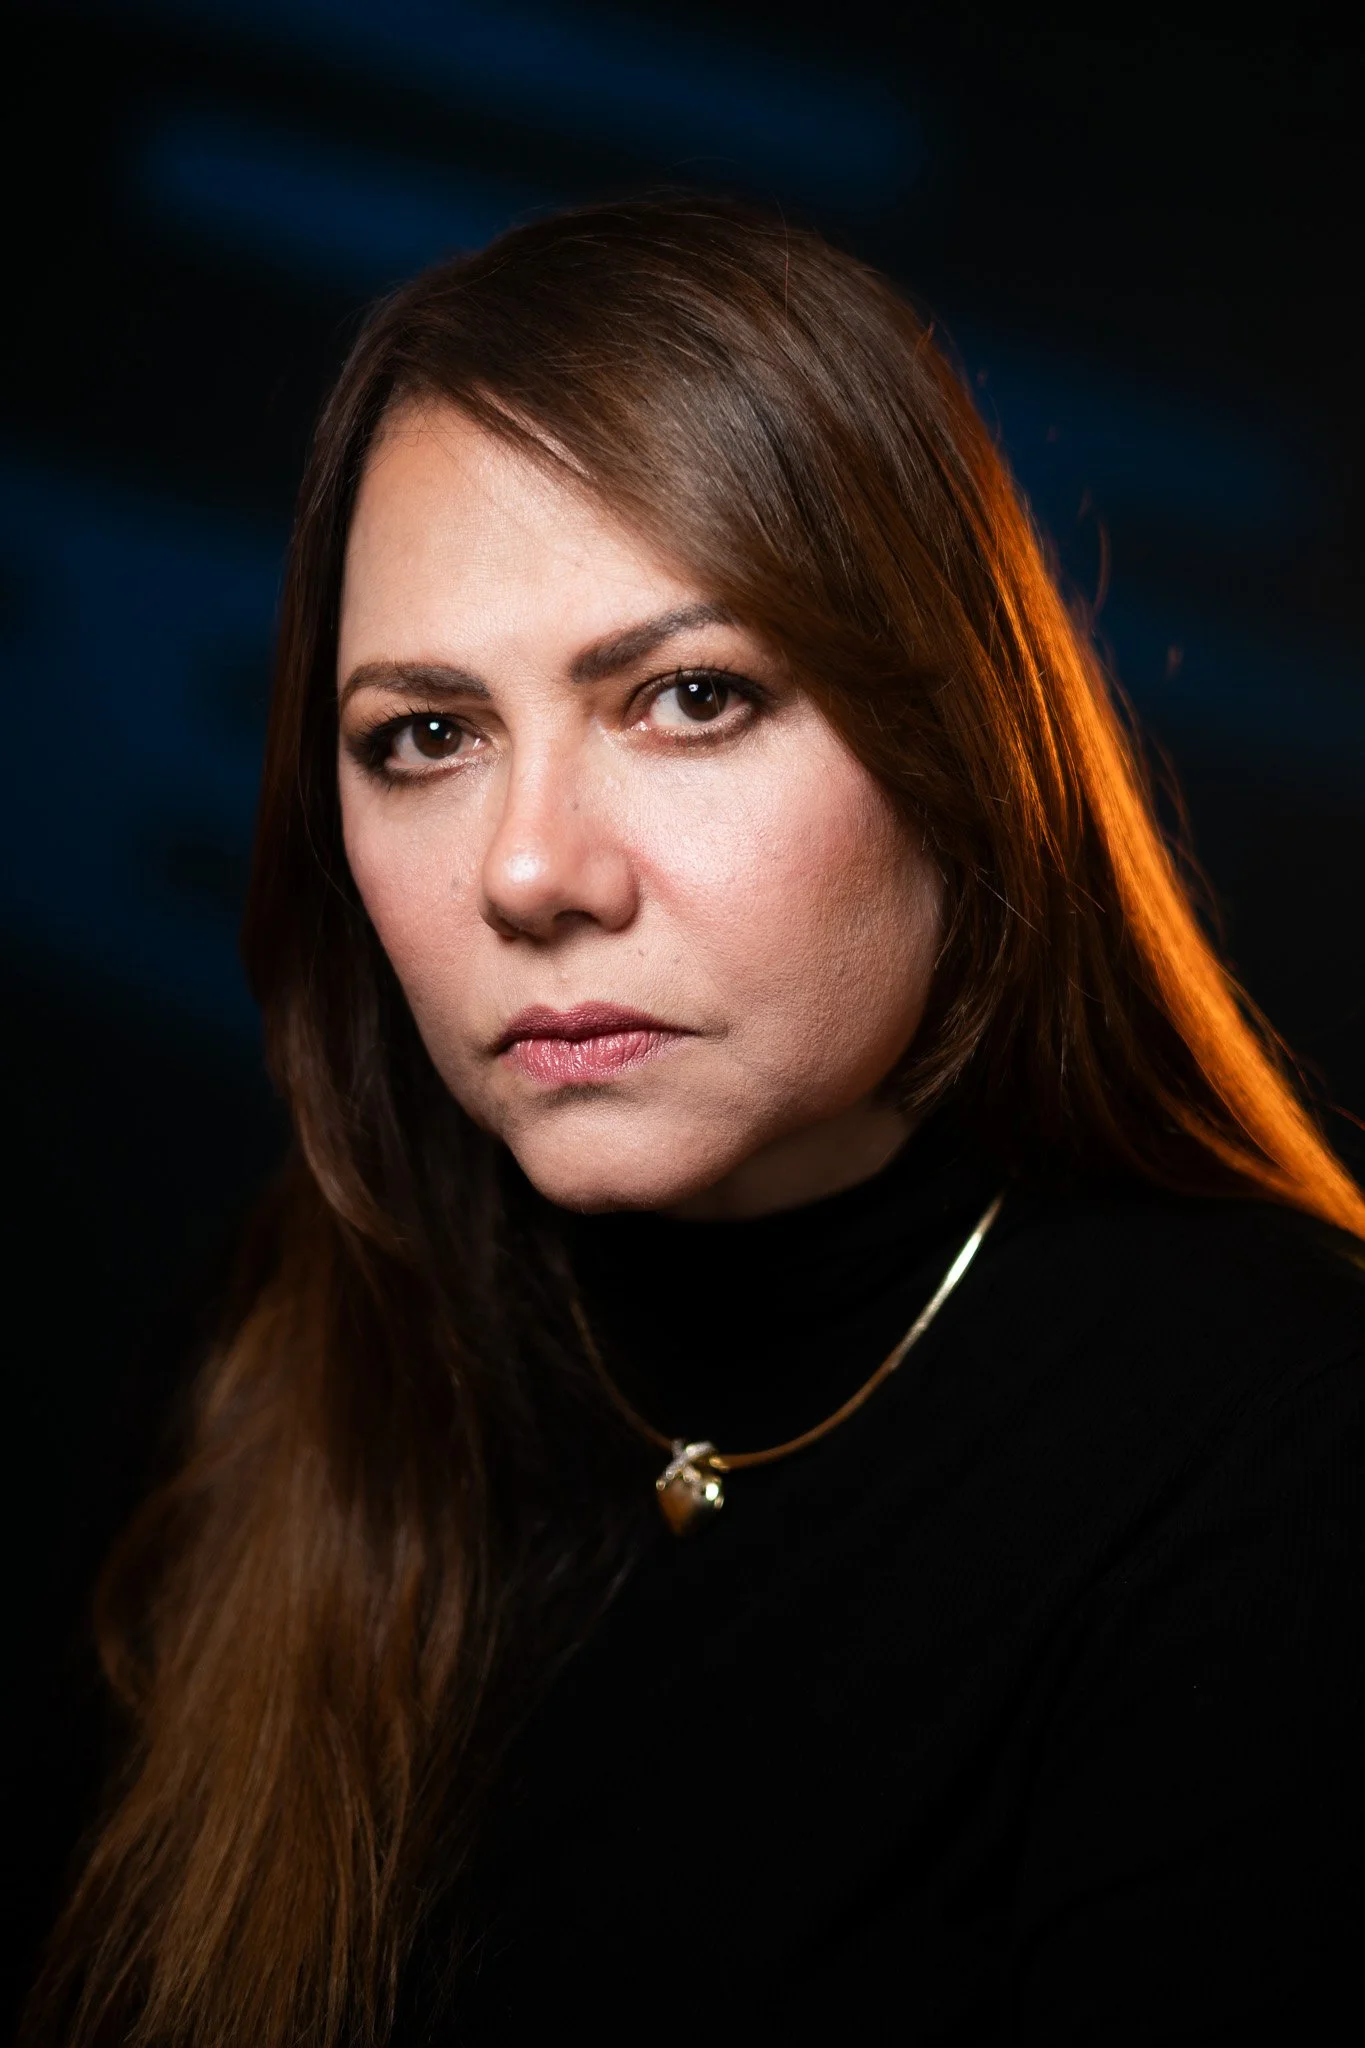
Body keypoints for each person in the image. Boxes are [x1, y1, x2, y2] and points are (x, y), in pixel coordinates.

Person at [31, 197, 1364, 2047]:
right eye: (424, 735)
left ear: (956, 750)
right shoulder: (273, 1356)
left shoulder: (1282, 1453)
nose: (528, 871)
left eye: (688, 698)